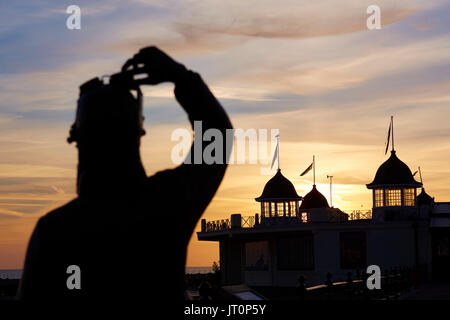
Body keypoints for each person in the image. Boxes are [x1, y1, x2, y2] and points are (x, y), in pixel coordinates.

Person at [18, 47, 233, 309]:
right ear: (137, 132)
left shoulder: (53, 230)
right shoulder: (167, 204)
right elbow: (217, 136)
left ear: (77, 137)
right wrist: (180, 76)